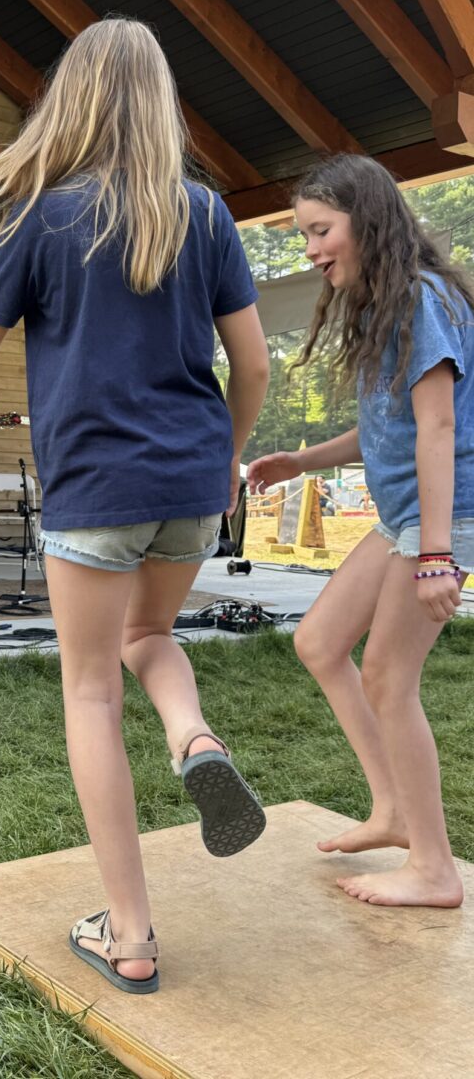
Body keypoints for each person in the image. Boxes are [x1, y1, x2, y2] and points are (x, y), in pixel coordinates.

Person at [0, 19, 270, 992]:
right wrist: (228, 457)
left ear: (71, 103)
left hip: (95, 484)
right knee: (149, 635)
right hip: (191, 483)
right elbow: (249, 361)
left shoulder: (42, 215)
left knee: (89, 687)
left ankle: (128, 933)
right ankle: (194, 736)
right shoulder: (205, 214)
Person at [248, 153, 474, 909]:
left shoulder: (419, 298)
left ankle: (436, 869)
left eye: (319, 230)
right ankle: (394, 812)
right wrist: (300, 460)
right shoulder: (388, 304)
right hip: (406, 516)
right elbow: (386, 428)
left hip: (445, 516)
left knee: (387, 674)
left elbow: (437, 426)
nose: (311, 249)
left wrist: (437, 554)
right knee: (318, 642)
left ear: (366, 220)